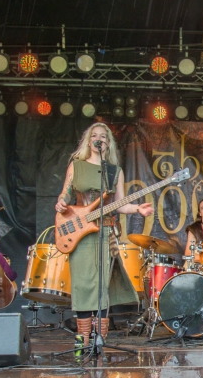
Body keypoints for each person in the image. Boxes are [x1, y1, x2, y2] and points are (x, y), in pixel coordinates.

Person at [55, 121, 154, 348]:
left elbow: (119, 204)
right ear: (88, 140)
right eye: (94, 135)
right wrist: (61, 203)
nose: (98, 139)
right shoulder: (76, 166)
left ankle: (100, 339)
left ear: (108, 143)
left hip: (104, 231)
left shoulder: (113, 171)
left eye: (103, 136)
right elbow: (65, 194)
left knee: (101, 285)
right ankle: (82, 338)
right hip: (79, 232)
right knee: (82, 284)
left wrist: (137, 208)